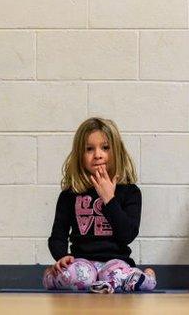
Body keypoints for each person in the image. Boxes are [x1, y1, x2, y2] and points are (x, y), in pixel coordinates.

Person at [44, 117, 156, 293]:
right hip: (82, 263)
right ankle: (56, 276)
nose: (98, 154)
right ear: (79, 155)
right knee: (77, 277)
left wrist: (109, 199)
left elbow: (127, 235)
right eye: (89, 149)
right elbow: (57, 236)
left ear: (116, 151)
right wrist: (61, 257)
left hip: (115, 263)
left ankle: (147, 277)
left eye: (105, 148)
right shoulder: (70, 194)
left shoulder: (130, 192)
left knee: (118, 277)